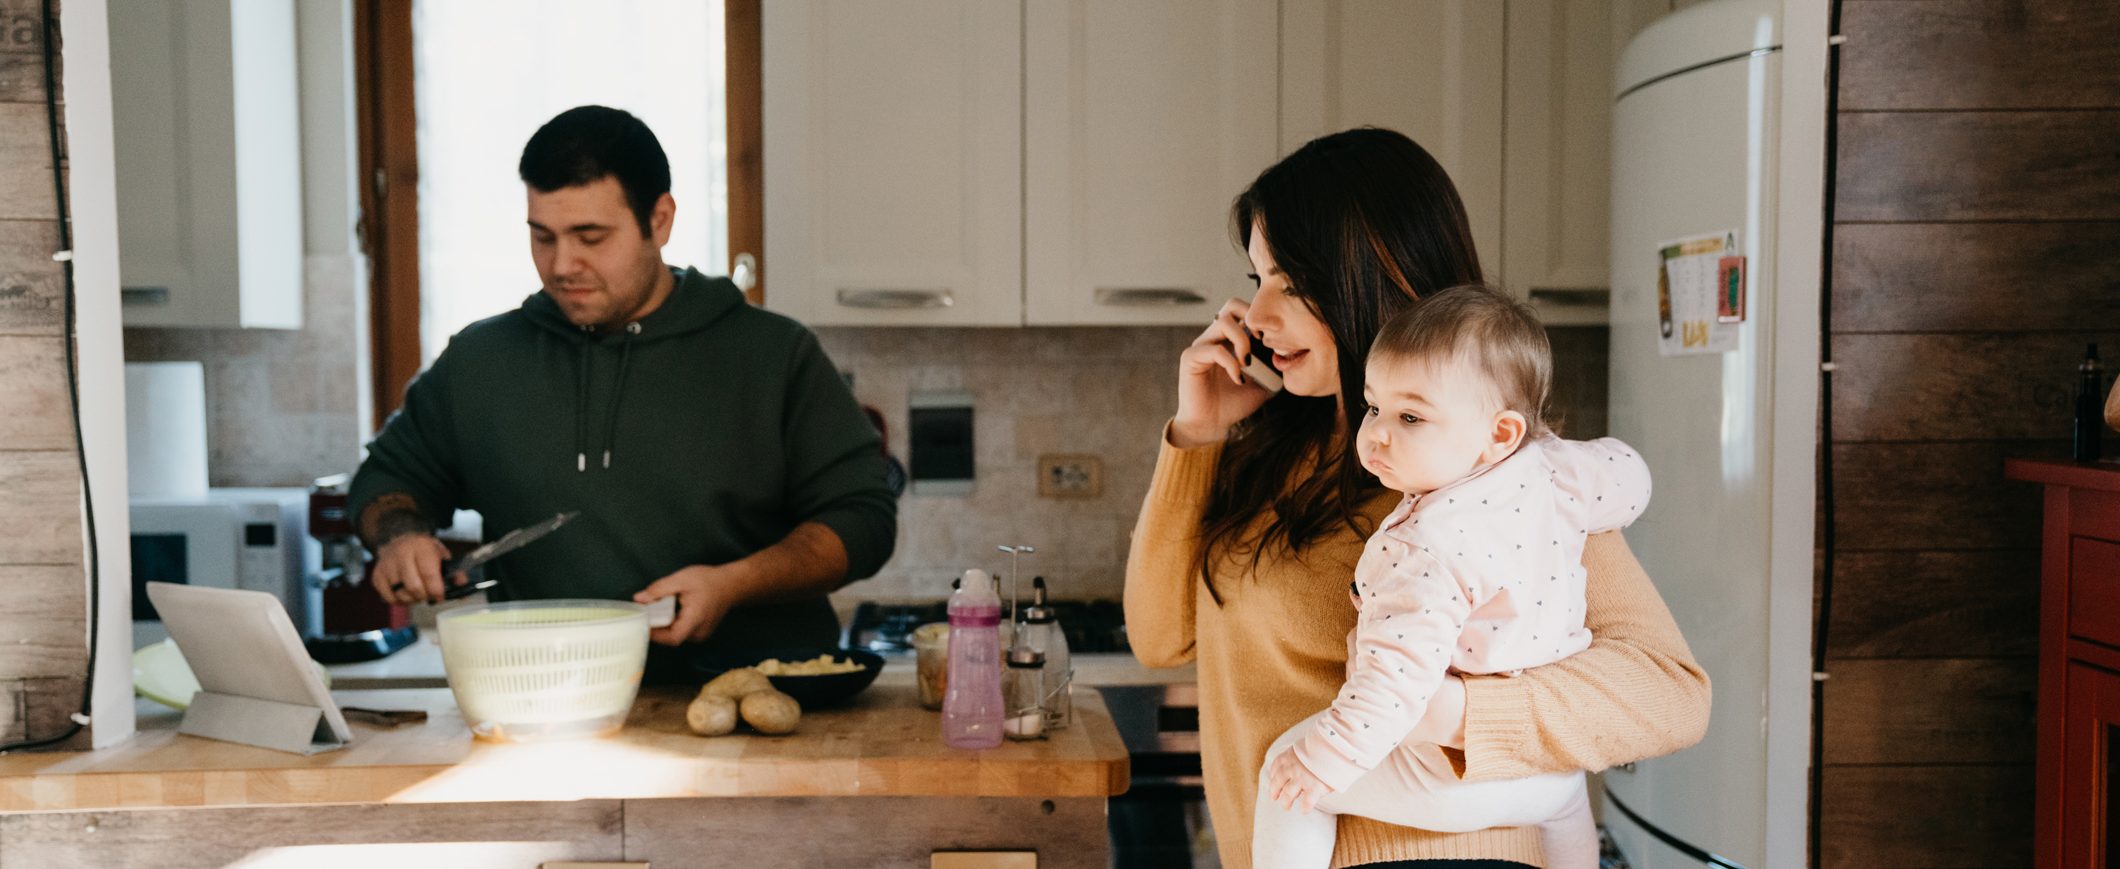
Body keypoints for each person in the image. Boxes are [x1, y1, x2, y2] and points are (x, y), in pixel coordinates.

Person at [1123, 127, 1710, 868]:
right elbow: (1159, 637)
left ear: (1385, 276)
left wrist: (1456, 714)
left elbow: (1668, 692)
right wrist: (1196, 436)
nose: (1259, 316)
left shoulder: (1495, 475)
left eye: (1293, 285)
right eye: (1257, 280)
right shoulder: (1278, 451)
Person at [350, 105, 897, 666]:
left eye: (591, 236)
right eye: (543, 237)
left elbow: (862, 520)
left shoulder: (773, 354)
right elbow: (388, 480)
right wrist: (399, 537)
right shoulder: (481, 360)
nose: (562, 264)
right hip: (546, 705)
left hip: (760, 701)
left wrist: (734, 583)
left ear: (659, 220)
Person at [1253, 287, 1652, 868]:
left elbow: (1393, 690)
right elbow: (1630, 479)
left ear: (1500, 434)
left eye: (1410, 416)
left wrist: (1321, 762)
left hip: (1448, 779)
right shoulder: (1557, 469)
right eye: (1374, 408)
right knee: (1567, 808)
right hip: (1549, 770)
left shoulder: (1418, 549)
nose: (1377, 435)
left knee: (1286, 774)